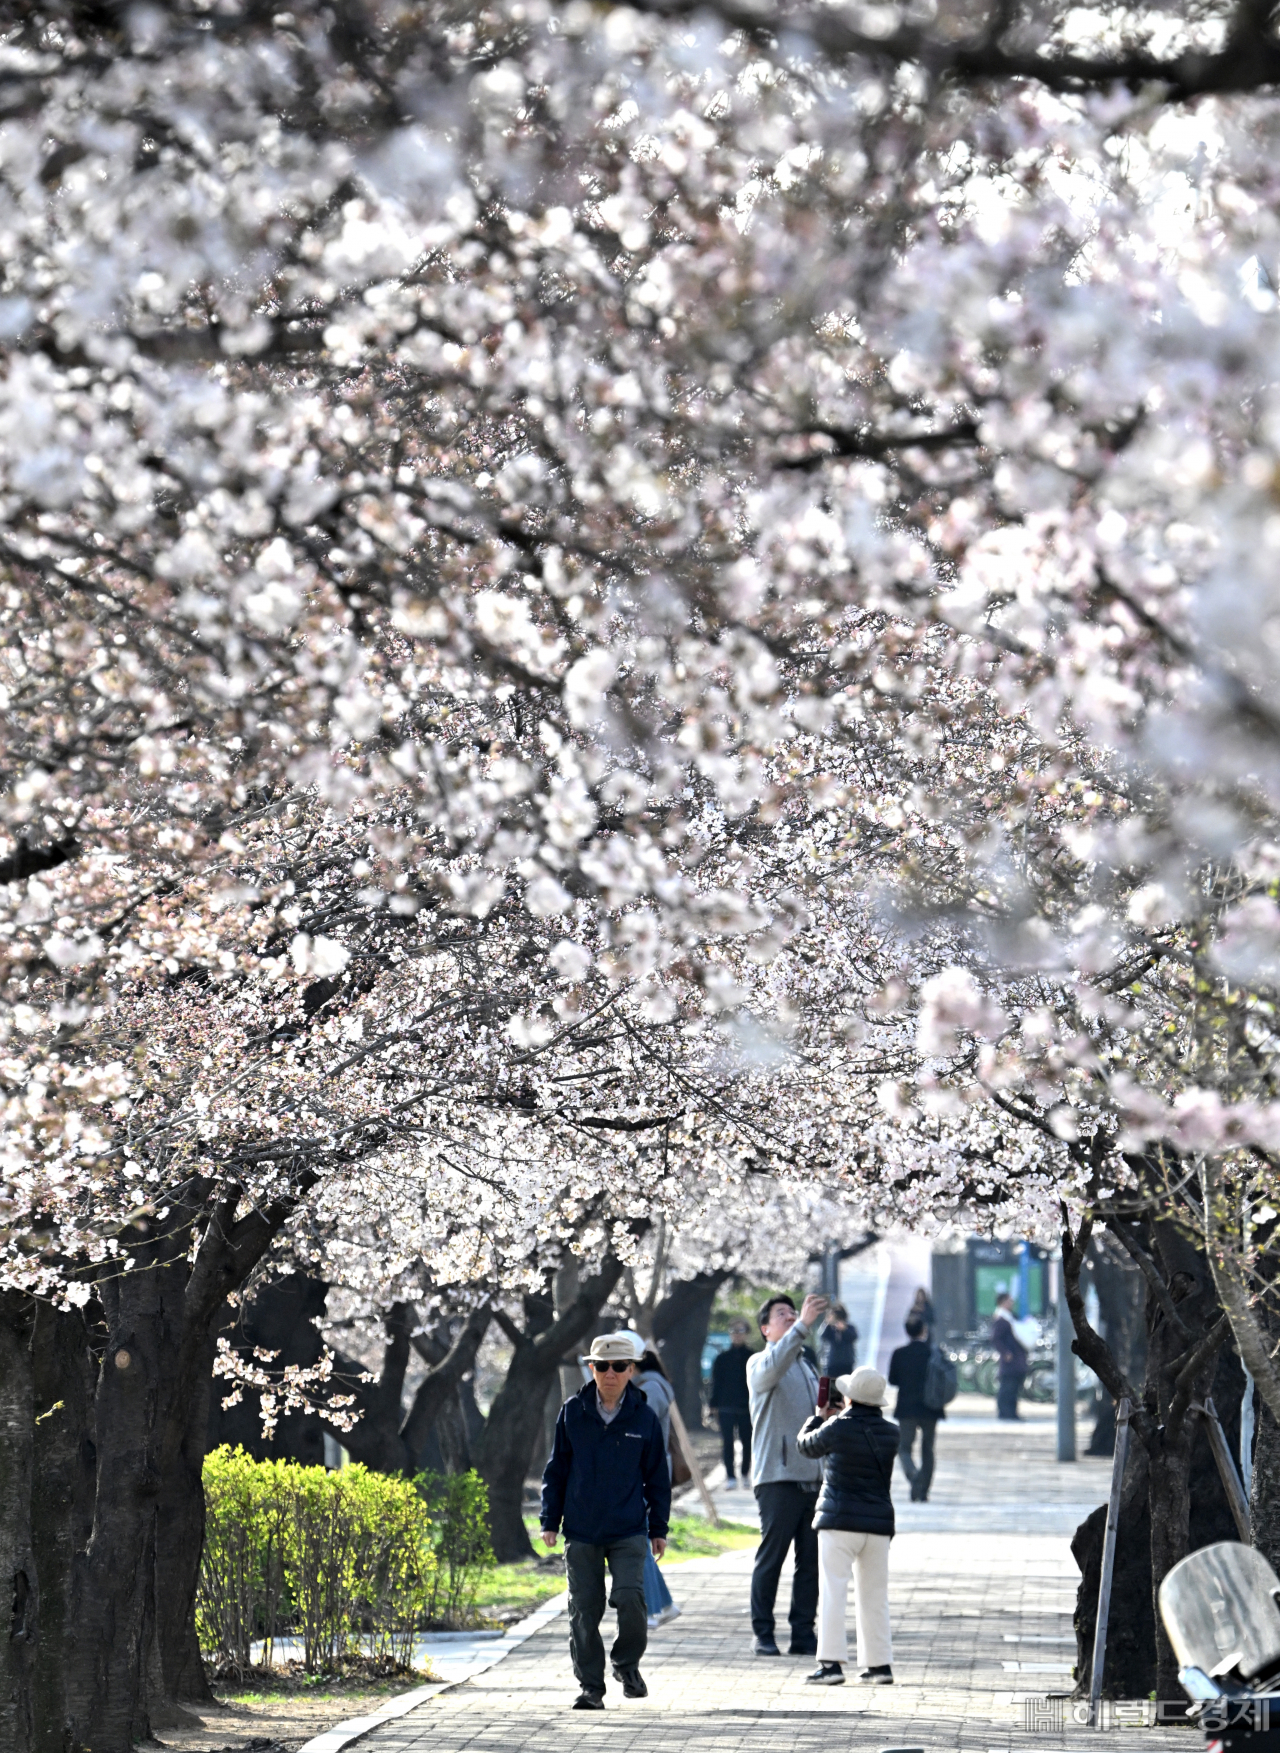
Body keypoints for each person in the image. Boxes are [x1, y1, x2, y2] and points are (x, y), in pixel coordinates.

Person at [541, 1333, 672, 1710]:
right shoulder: (572, 1412)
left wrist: (658, 1528)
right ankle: (590, 1688)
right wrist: (550, 1520)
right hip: (581, 1527)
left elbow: (657, 1478)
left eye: (618, 1366)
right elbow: (557, 1470)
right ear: (591, 1368)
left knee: (631, 1598)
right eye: (602, 1366)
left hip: (628, 1527)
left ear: (631, 1370)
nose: (610, 1373)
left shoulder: (643, 1417)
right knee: (584, 1609)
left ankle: (626, 1665)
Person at [796, 1366, 898, 1687]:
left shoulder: (837, 1427)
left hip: (839, 1521)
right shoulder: (892, 1433)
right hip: (878, 1525)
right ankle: (879, 1666)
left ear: (849, 1397)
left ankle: (831, 1665)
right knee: (874, 1595)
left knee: (833, 1591)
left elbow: (806, 1446)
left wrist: (818, 1417)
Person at [747, 1290, 828, 1658]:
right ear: (766, 1329)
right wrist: (803, 1328)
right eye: (782, 1315)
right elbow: (774, 1368)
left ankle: (803, 1632)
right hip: (776, 1477)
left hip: (812, 1477)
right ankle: (762, 1632)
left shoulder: (807, 1366)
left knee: (809, 1562)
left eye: (794, 1312)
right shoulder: (760, 1363)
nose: (792, 1317)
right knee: (772, 1558)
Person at [635, 1346, 682, 1629]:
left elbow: (641, 1431)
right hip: (643, 1472)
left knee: (635, 1539)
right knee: (636, 1538)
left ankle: (653, 1609)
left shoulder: (650, 1388)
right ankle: (664, 1604)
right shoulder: (649, 1384)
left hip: (642, 1473)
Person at [888, 1314, 943, 1501]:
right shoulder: (934, 1352)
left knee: (904, 1448)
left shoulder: (899, 1353)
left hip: (907, 1408)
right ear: (924, 1330)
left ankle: (914, 1477)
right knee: (928, 1448)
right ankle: (923, 1489)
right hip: (931, 1407)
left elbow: (892, 1380)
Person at [710, 1319, 753, 1489]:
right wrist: (713, 1406)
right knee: (727, 1442)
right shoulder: (721, 1359)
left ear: (746, 1333)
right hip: (725, 1406)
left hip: (746, 1407)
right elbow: (716, 1383)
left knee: (747, 1441)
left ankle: (745, 1473)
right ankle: (730, 1476)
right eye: (733, 1331)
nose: (737, 1334)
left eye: (740, 1331)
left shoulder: (752, 1357)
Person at [991, 1292, 1028, 1421]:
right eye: (1009, 1301)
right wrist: (1005, 1352)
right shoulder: (1001, 1319)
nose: (1011, 1303)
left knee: (1014, 1386)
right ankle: (1005, 1412)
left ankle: (1012, 1412)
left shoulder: (1012, 1317)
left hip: (1016, 1357)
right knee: (1007, 1386)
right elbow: (996, 1338)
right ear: (1002, 1302)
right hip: (1010, 1358)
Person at [819, 1303, 858, 1378]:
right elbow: (823, 1337)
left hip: (847, 1362)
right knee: (832, 1385)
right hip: (832, 1362)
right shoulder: (829, 1329)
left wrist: (844, 1329)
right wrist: (828, 1323)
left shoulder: (849, 1327)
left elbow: (854, 1337)